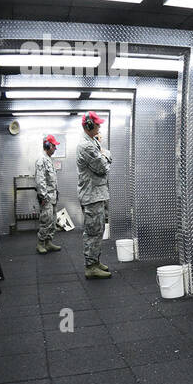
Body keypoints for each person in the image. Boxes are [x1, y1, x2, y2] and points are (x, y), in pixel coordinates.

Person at [76, 112, 112, 279]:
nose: (99, 127)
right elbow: (103, 167)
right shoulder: (87, 146)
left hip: (96, 194)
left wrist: (103, 152)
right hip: (92, 196)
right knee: (93, 231)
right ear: (89, 126)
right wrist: (106, 154)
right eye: (97, 124)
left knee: (98, 229)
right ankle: (90, 266)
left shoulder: (93, 142)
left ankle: (95, 261)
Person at [34, 134, 63, 254]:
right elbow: (40, 180)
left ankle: (48, 242)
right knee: (46, 220)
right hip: (47, 197)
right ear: (47, 145)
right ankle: (40, 243)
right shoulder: (42, 160)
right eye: (54, 146)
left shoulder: (49, 160)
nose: (55, 148)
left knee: (52, 220)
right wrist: (43, 196)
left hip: (53, 196)